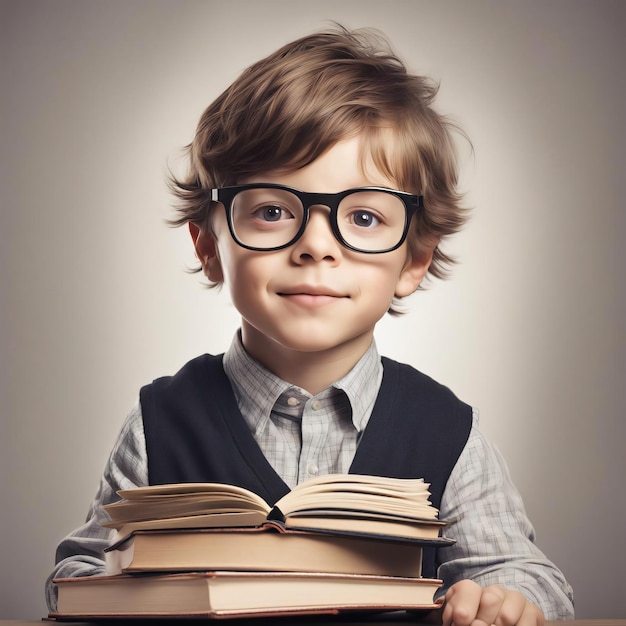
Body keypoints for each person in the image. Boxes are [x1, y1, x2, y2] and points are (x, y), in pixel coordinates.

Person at [46, 26, 574, 624]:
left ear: (415, 260)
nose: (316, 246)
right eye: (273, 211)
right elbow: (79, 574)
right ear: (210, 247)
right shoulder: (158, 424)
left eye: (366, 216)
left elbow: (524, 574)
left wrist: (506, 600)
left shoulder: (448, 432)